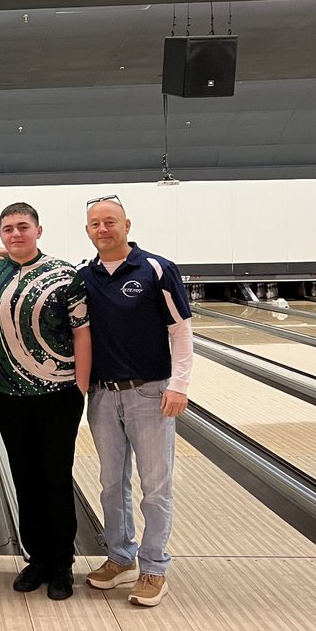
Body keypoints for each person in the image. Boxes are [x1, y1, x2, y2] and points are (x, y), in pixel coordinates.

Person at [82, 194, 193, 608]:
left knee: (155, 487)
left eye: (110, 221)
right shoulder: (84, 275)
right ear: (87, 230)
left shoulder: (156, 269)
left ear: (126, 225)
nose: (103, 229)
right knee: (111, 484)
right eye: (95, 223)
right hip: (102, 395)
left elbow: (180, 330)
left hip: (150, 392)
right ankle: (120, 557)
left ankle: (154, 567)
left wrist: (179, 385)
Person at [0, 202, 91, 601]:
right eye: (8, 228)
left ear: (38, 231)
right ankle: (37, 558)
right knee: (24, 478)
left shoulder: (65, 274)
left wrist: (80, 387)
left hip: (59, 396)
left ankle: (62, 563)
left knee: (55, 477)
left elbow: (82, 332)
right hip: (10, 396)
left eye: (23, 227)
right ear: (0, 234)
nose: (16, 234)